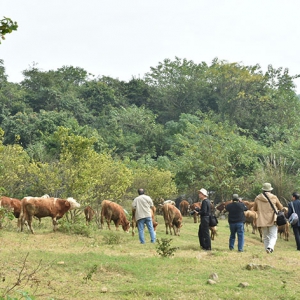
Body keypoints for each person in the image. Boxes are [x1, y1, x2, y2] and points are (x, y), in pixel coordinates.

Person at [253, 182, 283, 254]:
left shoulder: (257, 198)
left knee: (265, 236)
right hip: (272, 219)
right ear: (270, 190)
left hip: (262, 219)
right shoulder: (274, 197)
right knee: (273, 235)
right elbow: (281, 207)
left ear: (263, 190)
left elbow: (254, 208)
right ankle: (270, 248)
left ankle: (267, 250)